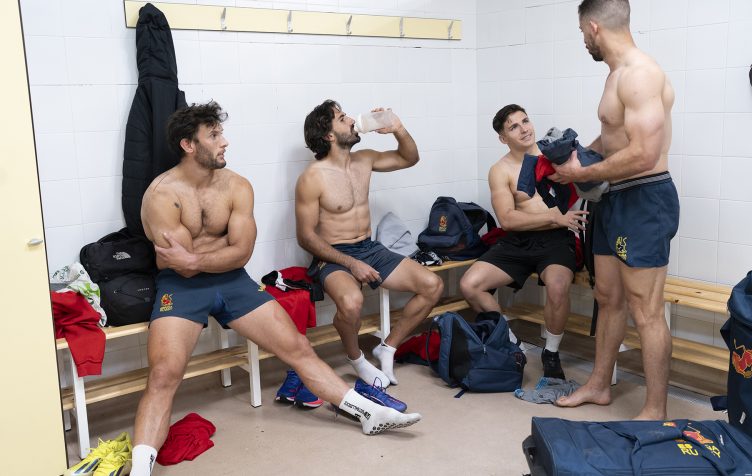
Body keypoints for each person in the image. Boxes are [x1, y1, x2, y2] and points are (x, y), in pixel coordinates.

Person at [129, 101, 421, 476]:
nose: (224, 142)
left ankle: (368, 414)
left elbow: (240, 253)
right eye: (214, 135)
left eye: (221, 133)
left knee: (298, 347)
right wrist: (205, 258)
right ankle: (140, 470)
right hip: (181, 287)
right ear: (189, 145)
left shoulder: (237, 186)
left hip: (232, 281)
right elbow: (181, 266)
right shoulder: (161, 195)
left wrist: (199, 259)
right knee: (164, 375)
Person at [549, 0, 679, 420]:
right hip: (612, 198)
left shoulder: (641, 75)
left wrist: (580, 175)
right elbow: (613, 138)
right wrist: (576, 158)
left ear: (593, 27)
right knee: (607, 297)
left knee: (646, 308)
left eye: (581, 33)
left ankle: (655, 410)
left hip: (643, 198)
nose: (583, 41)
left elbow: (644, 154)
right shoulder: (615, 75)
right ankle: (599, 385)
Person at [295, 100, 444, 389]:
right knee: (352, 303)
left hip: (369, 247)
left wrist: (397, 128)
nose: (352, 120)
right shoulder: (312, 178)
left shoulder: (364, 160)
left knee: (432, 285)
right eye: (342, 118)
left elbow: (409, 158)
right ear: (328, 135)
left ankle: (387, 347)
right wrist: (351, 263)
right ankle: (357, 359)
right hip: (335, 255)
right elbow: (306, 237)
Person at [459, 105, 588, 380]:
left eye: (525, 121)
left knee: (557, 286)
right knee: (469, 284)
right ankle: (509, 338)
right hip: (518, 240)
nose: (524, 129)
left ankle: (550, 353)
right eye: (513, 126)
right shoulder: (500, 170)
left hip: (556, 239)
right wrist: (553, 216)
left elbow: (588, 180)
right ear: (503, 138)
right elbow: (507, 219)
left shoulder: (555, 156)